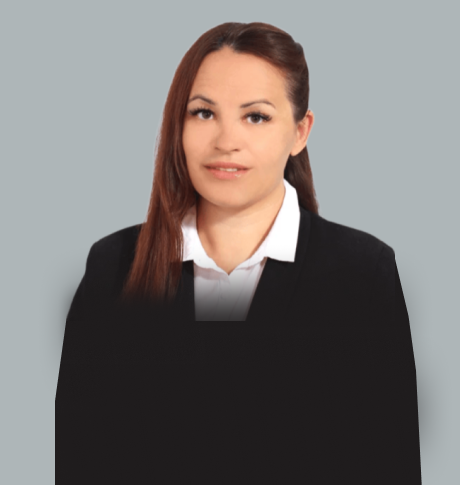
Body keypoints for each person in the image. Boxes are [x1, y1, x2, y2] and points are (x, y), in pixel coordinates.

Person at [56, 22, 422, 484]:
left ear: (300, 131)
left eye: (256, 117)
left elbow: (391, 463)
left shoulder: (362, 276)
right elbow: (81, 459)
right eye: (204, 113)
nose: (226, 140)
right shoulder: (113, 268)